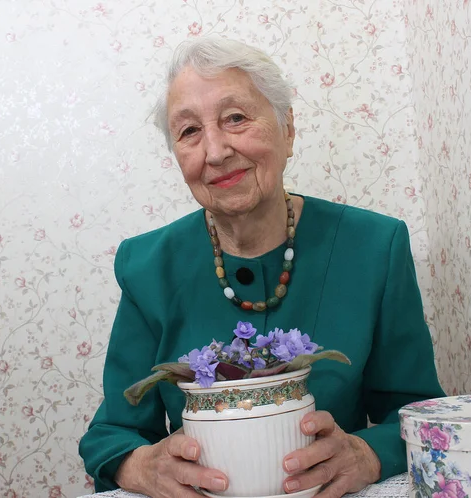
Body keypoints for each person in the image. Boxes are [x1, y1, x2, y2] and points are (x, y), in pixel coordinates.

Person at [79, 37, 444, 498]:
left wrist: (367, 453)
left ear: (287, 128)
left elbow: (420, 414)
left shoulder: (375, 246)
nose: (215, 151)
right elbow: (110, 432)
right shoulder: (147, 264)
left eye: (235, 118)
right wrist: (139, 466)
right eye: (189, 131)